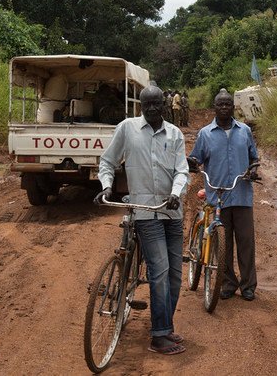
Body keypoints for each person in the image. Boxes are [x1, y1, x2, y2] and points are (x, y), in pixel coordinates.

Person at [95, 85, 189, 355]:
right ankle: (158, 336)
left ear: (164, 104)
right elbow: (107, 161)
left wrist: (175, 193)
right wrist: (106, 185)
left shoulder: (175, 133)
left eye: (156, 104)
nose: (151, 109)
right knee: (158, 273)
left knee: (174, 276)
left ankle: (166, 326)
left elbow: (182, 170)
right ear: (140, 106)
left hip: (172, 211)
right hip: (145, 212)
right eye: (146, 105)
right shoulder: (127, 128)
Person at [188, 88, 260, 301]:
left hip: (242, 195)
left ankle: (248, 286)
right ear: (215, 107)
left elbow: (254, 158)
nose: (224, 107)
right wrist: (191, 164)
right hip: (217, 197)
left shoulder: (245, 131)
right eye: (220, 104)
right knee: (223, 244)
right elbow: (195, 158)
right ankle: (227, 283)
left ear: (233, 107)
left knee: (246, 242)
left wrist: (253, 170)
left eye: (228, 104)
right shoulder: (205, 134)